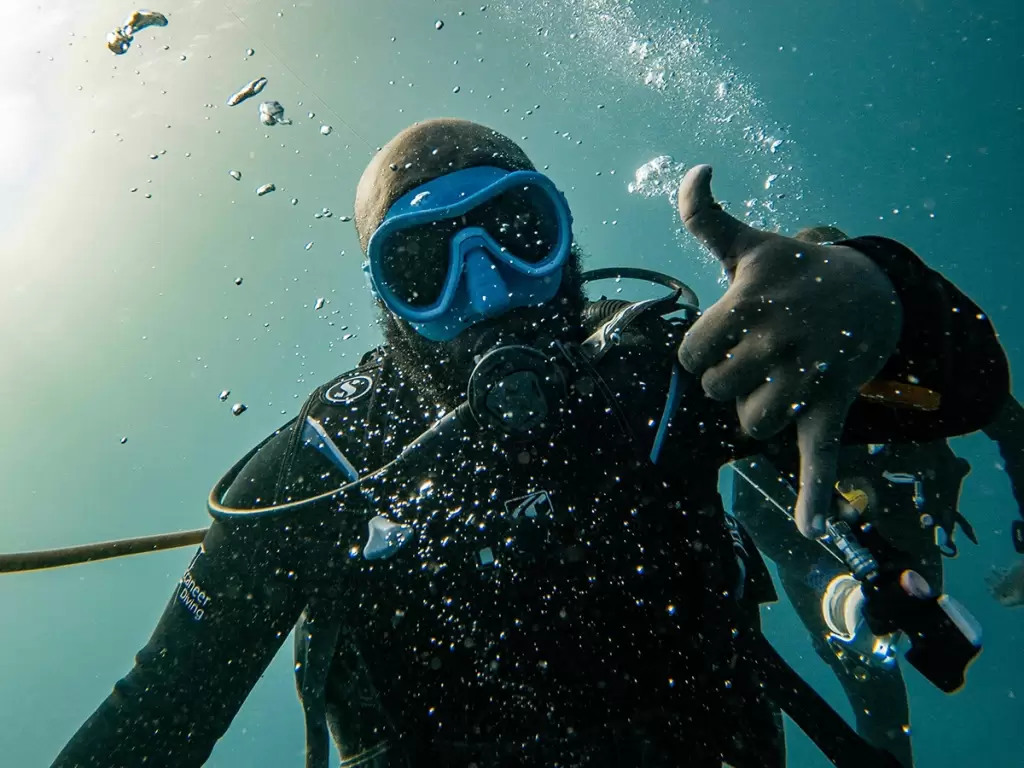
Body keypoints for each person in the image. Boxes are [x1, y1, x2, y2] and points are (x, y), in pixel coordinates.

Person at [51, 119, 1010, 768]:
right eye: (426, 265)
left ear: (566, 235)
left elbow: (965, 392)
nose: (488, 286)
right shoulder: (320, 474)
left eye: (517, 231)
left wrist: (890, 298)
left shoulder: (660, 377)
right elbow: (154, 720)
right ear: (386, 300)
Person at [730, 226, 1024, 767]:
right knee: (880, 699)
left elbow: (1005, 417)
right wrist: (839, 585)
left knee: (925, 657)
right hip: (826, 567)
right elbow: (753, 514)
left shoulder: (913, 368)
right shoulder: (769, 393)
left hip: (905, 539)